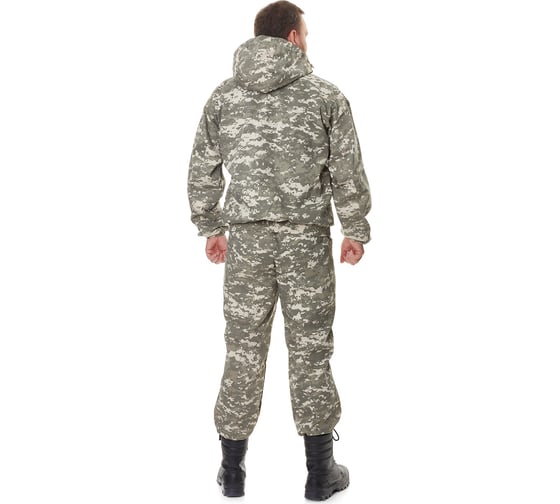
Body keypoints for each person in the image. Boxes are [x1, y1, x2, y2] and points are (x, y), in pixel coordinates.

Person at [188, 1, 371, 500]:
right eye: (306, 34)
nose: (307, 43)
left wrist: (210, 226)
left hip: (246, 241)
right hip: (306, 241)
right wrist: (355, 228)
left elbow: (203, 166)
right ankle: (320, 473)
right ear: (292, 37)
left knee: (243, 349)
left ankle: (233, 471)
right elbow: (347, 169)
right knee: (311, 349)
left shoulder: (224, 96)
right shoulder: (326, 95)